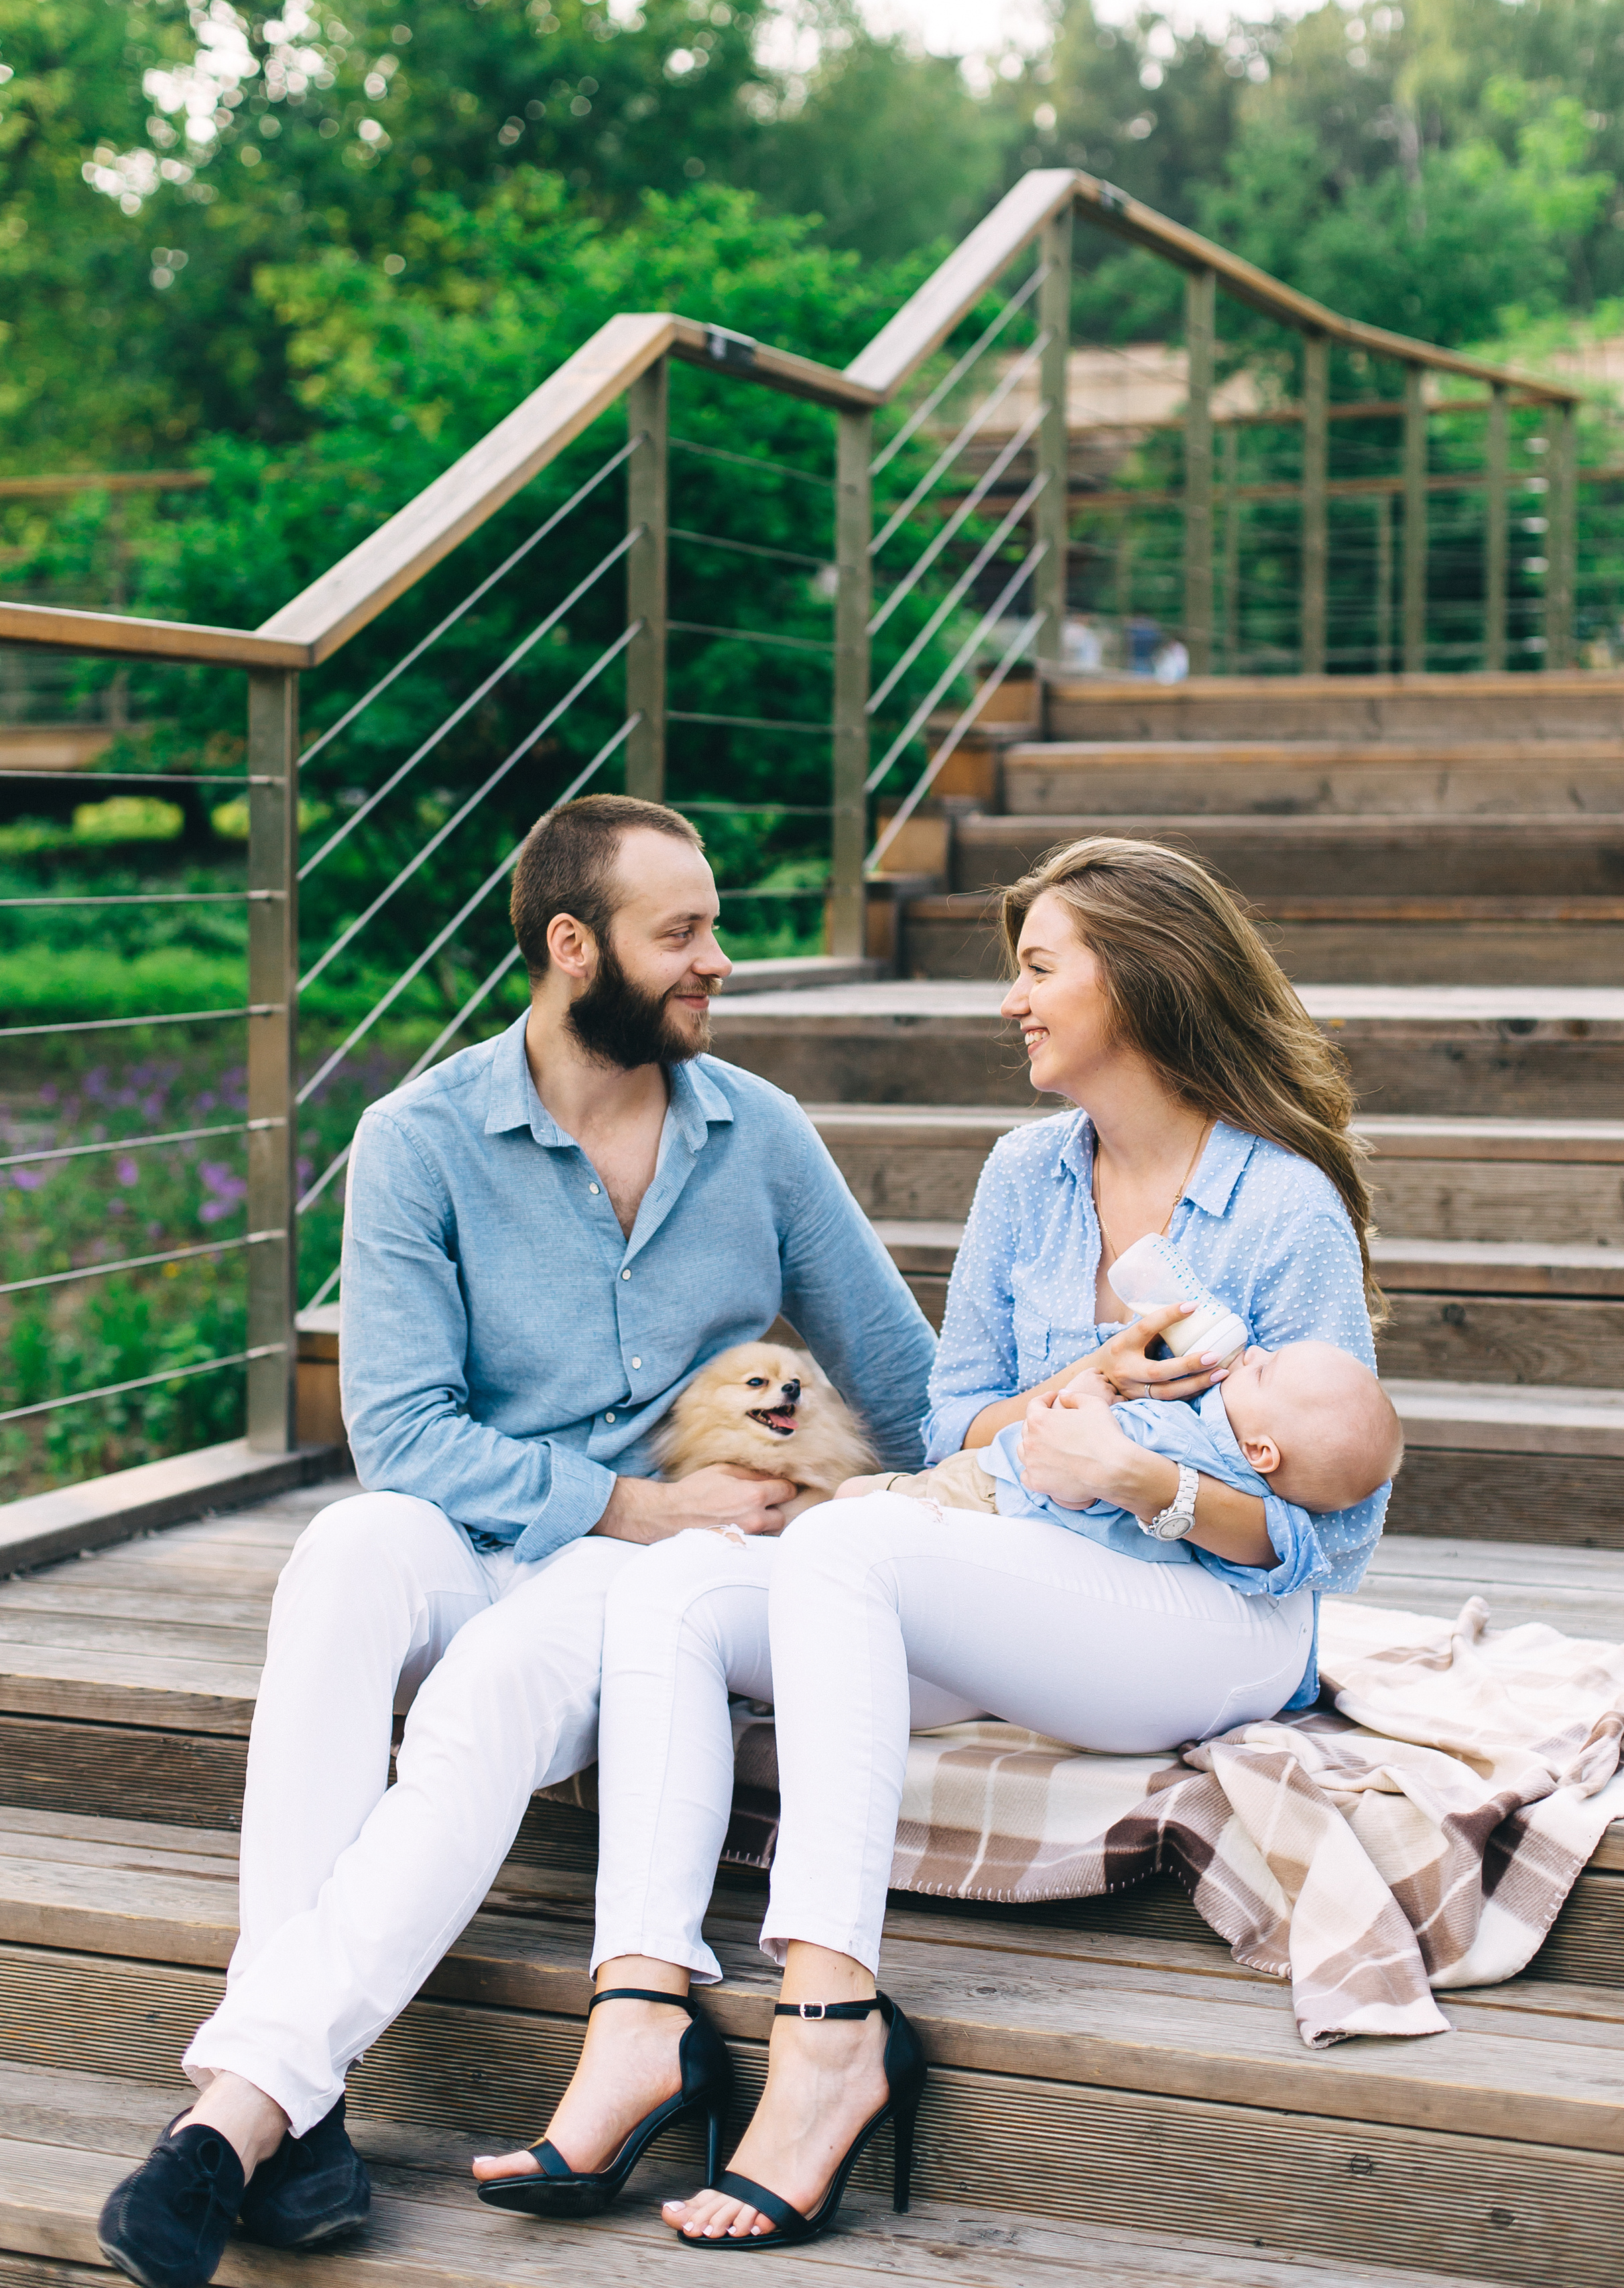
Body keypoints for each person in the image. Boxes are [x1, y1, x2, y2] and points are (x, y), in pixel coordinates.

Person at [479, 832, 1392, 2248]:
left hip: (1209, 1625)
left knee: (847, 1553)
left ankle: (829, 2030)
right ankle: (640, 2009)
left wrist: (1143, 1480)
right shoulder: (1026, 1176)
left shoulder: (1279, 1208)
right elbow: (956, 1420)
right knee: (676, 1592)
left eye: (1037, 971)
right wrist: (1077, 1399)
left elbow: (1326, 1545)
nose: (1011, 1002)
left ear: (1139, 984)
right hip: (1028, 1584)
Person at [95, 793, 935, 2288]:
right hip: (501, 1522)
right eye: (680, 933)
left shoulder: (762, 1139)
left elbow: (906, 1381)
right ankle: (304, 2101)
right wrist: (633, 1499)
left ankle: (241, 2118)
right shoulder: (417, 1139)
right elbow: (403, 1437)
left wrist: (1050, 1484)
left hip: (645, 1577)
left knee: (487, 1693)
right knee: (345, 1555)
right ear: (571, 946)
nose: (718, 962)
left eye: (716, 928)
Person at [843, 1336, 1403, 1535]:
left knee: (848, 1506)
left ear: (1262, 1450)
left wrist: (1094, 1392)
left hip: (993, 1495)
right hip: (991, 1480)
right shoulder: (1234, 1472)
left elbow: (1077, 1483)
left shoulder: (1181, 1437)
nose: (1253, 1351)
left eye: (1264, 1370)